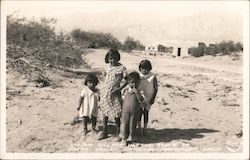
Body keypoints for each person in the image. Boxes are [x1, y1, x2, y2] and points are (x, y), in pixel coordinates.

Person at [98, 49, 128, 140]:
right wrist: (102, 88)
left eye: (115, 58)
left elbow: (127, 80)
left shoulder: (122, 68)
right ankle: (105, 131)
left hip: (115, 93)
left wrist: (119, 89)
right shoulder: (107, 67)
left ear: (118, 58)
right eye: (111, 58)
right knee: (105, 112)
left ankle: (119, 133)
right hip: (105, 92)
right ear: (108, 58)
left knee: (116, 113)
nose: (112, 60)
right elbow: (104, 77)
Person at [116, 71, 144, 146]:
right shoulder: (125, 91)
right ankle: (124, 138)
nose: (133, 84)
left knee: (132, 124)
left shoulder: (139, 91)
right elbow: (122, 100)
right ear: (128, 82)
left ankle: (132, 137)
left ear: (139, 82)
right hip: (125, 112)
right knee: (124, 124)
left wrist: (137, 92)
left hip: (134, 112)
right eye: (132, 82)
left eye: (136, 82)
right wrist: (120, 110)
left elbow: (141, 100)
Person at [138, 60, 158, 135]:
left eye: (146, 68)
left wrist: (153, 97)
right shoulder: (139, 76)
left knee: (146, 113)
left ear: (150, 69)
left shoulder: (153, 76)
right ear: (140, 68)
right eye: (142, 68)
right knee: (139, 112)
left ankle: (145, 128)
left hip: (149, 97)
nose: (144, 70)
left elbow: (156, 88)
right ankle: (139, 128)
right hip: (140, 97)